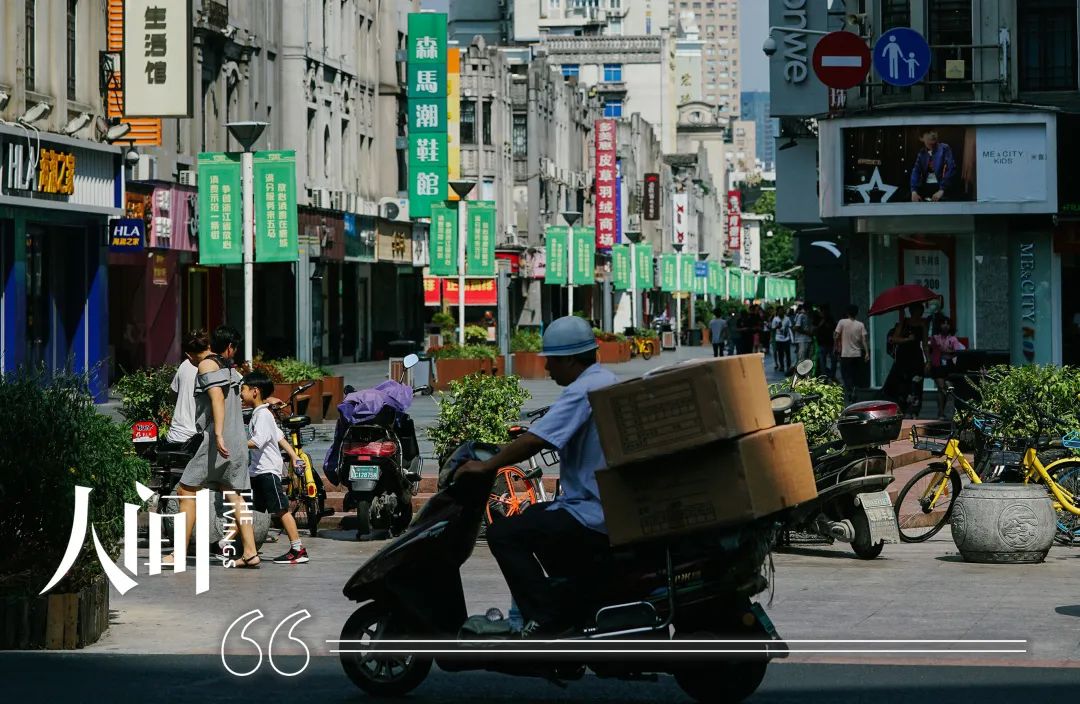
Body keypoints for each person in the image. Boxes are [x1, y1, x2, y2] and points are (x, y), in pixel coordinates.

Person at [456, 316, 617, 638]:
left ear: (570, 359)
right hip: (598, 504)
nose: (547, 369)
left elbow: (536, 440)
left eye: (552, 361)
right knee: (533, 516)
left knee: (504, 534)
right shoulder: (604, 379)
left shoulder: (583, 389)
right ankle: (562, 603)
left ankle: (543, 618)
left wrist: (487, 466)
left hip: (590, 510)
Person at [163, 325, 260, 569]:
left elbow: (216, 397)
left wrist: (216, 434)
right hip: (237, 438)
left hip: (219, 441)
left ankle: (178, 554)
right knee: (233, 494)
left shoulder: (207, 365)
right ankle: (250, 552)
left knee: (186, 491)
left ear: (189, 355)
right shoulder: (229, 367)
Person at [241, 371, 310, 564]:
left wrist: (234, 442)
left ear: (255, 391)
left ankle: (298, 549)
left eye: (243, 390)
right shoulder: (262, 413)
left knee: (281, 510)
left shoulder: (262, 415)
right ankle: (230, 544)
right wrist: (294, 456)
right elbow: (279, 436)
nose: (240, 394)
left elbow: (258, 441)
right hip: (257, 471)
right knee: (245, 508)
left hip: (267, 471)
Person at [883, 303, 931, 418]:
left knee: (917, 385)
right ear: (911, 311)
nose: (918, 313)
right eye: (916, 310)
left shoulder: (923, 324)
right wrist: (907, 339)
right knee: (903, 386)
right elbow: (894, 339)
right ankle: (902, 410)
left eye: (920, 311)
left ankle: (915, 412)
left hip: (916, 357)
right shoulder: (903, 322)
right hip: (903, 358)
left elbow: (925, 344)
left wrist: (928, 360)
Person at [165, 329, 210, 444]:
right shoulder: (216, 368)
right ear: (209, 347)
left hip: (176, 435)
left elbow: (172, 395)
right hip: (199, 440)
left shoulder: (184, 365)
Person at [929, 318, 965, 419]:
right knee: (941, 388)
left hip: (949, 365)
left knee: (947, 389)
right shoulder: (935, 338)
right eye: (943, 323)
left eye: (947, 324)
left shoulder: (953, 339)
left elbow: (957, 351)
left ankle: (943, 411)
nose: (945, 326)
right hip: (938, 365)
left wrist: (949, 351)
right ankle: (941, 412)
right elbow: (934, 350)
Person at [834, 305, 870, 404]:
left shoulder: (842, 322)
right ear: (857, 313)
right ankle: (853, 389)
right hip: (857, 354)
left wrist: (836, 345)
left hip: (845, 354)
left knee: (846, 375)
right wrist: (867, 353)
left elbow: (836, 336)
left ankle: (849, 391)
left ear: (847, 313)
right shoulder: (860, 325)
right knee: (854, 375)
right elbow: (864, 341)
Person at [910, 128, 956, 203]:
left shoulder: (944, 148)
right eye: (928, 132)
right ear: (921, 138)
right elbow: (916, 171)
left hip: (942, 187)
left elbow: (951, 169)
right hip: (926, 189)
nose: (933, 134)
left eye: (934, 131)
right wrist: (914, 191)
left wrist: (942, 189)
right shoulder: (921, 153)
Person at [813, 304, 837, 379]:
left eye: (825, 311)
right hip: (821, 343)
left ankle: (832, 375)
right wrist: (822, 322)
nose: (823, 312)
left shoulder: (830, 318)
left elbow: (834, 328)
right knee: (822, 362)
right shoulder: (817, 318)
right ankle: (824, 376)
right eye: (822, 311)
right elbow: (814, 329)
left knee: (834, 361)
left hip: (830, 343)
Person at [773, 308, 792, 373]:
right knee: (780, 353)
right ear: (777, 312)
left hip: (786, 339)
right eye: (779, 311)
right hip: (778, 339)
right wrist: (777, 326)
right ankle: (782, 366)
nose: (780, 312)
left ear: (784, 311)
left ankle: (788, 366)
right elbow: (773, 328)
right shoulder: (775, 319)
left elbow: (790, 327)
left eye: (782, 311)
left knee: (787, 353)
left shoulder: (787, 318)